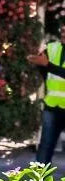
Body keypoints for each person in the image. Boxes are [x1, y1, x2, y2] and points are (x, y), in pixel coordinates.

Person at [28, 30, 65, 166]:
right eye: (62, 30)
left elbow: (46, 65)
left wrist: (48, 65)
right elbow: (42, 66)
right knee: (45, 147)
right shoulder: (52, 47)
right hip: (52, 106)